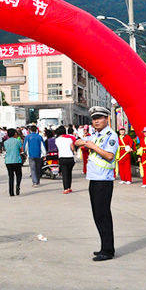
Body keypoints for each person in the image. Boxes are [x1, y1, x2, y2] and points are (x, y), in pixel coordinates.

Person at [75, 106, 118, 262]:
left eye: (99, 118)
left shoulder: (110, 136)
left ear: (106, 118)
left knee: (103, 215)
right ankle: (104, 246)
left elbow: (109, 155)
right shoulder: (96, 135)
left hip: (103, 181)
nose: (96, 121)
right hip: (94, 179)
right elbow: (81, 143)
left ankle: (108, 250)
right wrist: (79, 142)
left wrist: (91, 146)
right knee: (97, 215)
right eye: (94, 119)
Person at [55, 125, 76, 194]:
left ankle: (66, 188)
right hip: (70, 158)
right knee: (69, 173)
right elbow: (72, 148)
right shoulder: (69, 139)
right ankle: (69, 187)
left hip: (62, 158)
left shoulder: (57, 140)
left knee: (64, 174)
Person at [3, 128, 24, 196]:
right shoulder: (18, 141)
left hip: (8, 161)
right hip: (16, 160)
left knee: (11, 176)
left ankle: (11, 192)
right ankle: (18, 185)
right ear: (14, 134)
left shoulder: (5, 142)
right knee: (19, 174)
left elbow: (6, 150)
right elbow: (21, 150)